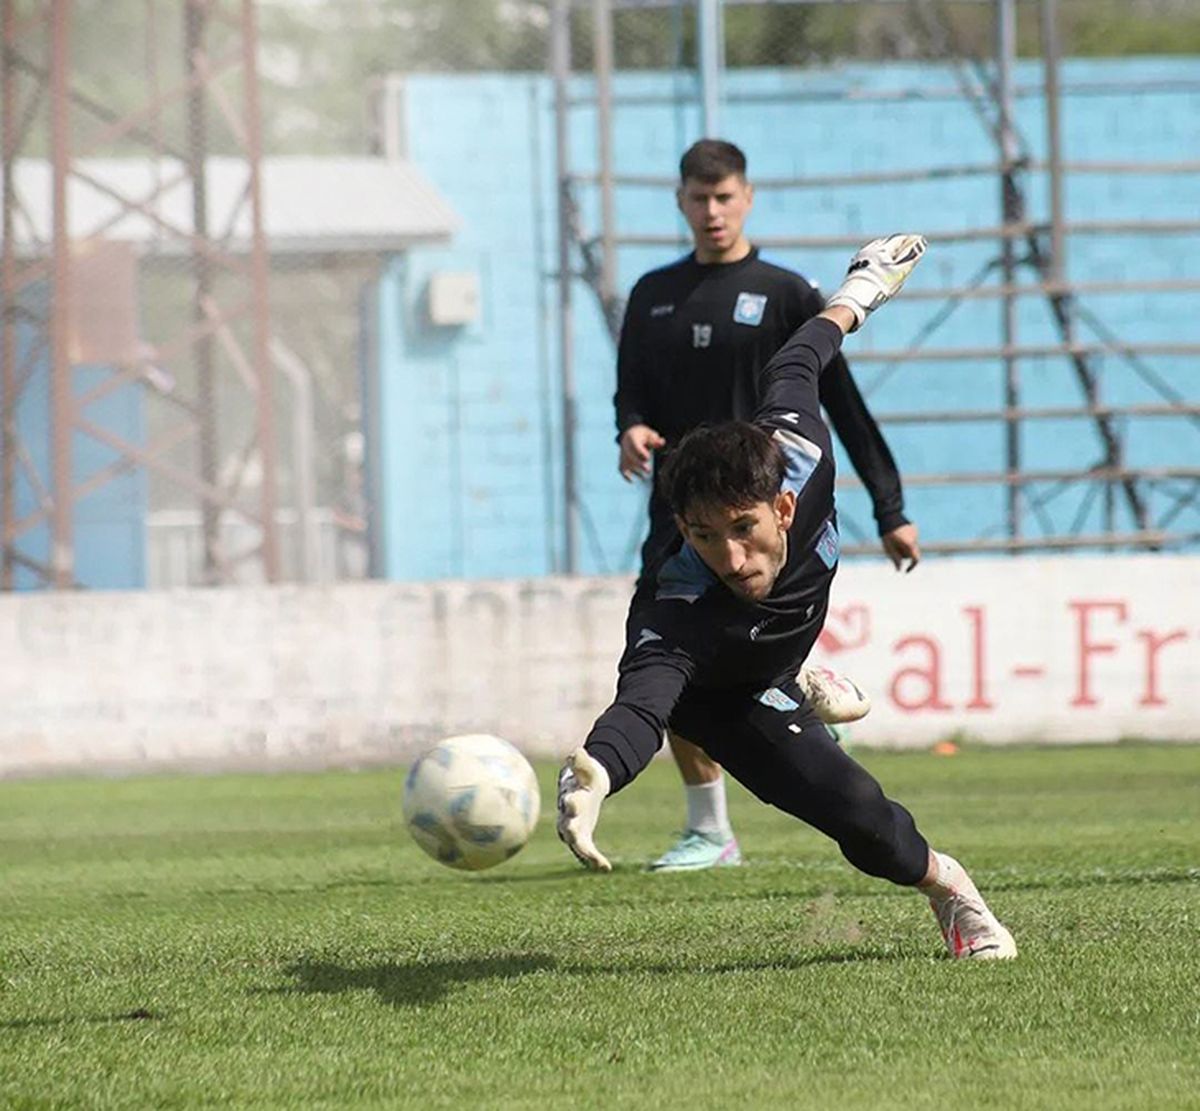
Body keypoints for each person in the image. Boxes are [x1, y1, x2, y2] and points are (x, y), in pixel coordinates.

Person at [561, 235, 1017, 961]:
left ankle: (953, 892)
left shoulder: (800, 449)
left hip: (773, 650)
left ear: (780, 504)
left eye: (744, 528)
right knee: (860, 820)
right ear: (682, 526)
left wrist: (862, 289)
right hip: (722, 695)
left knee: (872, 819)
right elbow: (643, 702)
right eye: (705, 536)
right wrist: (597, 774)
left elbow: (801, 354)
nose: (731, 558)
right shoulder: (676, 603)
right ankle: (933, 868)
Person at [616, 139, 920, 872]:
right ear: (681, 202)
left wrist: (889, 505)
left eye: (724, 197)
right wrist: (628, 426)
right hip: (682, 513)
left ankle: (795, 687)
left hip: (762, 509)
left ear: (746, 197)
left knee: (736, 650)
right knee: (672, 662)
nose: (711, 211)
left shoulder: (785, 291)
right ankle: (708, 828)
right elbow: (630, 385)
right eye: (698, 197)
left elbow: (835, 401)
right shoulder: (652, 293)